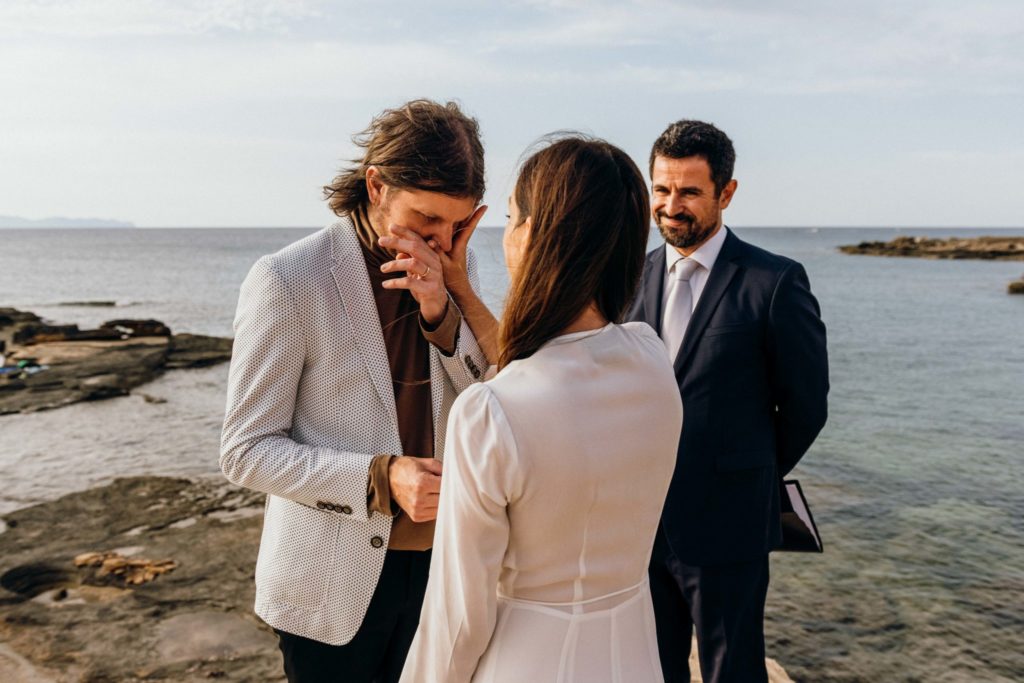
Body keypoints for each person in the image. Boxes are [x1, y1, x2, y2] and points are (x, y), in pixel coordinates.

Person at [219, 99, 491, 683]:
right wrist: (381, 478)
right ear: (375, 185)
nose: (441, 240)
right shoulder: (289, 279)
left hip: (444, 574)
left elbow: (491, 397)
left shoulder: (453, 268)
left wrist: (445, 309)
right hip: (329, 588)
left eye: (458, 223)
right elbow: (244, 450)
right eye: (425, 220)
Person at [398, 135, 683, 683]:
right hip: (633, 654)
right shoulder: (651, 358)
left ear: (531, 235)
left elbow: (457, 620)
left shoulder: (489, 414)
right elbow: (546, 369)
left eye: (509, 218)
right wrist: (458, 285)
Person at [627, 120, 829, 683]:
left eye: (689, 191)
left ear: (727, 193)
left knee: (731, 672)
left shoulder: (776, 282)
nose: (672, 206)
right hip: (639, 526)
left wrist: (746, 474)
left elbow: (807, 407)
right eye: (662, 190)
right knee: (650, 667)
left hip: (731, 525)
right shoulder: (629, 278)